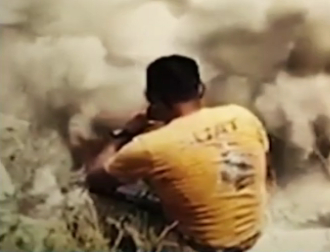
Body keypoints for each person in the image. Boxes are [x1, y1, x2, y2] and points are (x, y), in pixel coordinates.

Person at [85, 55, 270, 252]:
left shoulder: (149, 146)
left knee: (89, 198)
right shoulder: (241, 116)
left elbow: (95, 179)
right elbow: (266, 167)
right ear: (201, 89)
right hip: (252, 235)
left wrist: (124, 134)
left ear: (151, 98)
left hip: (202, 247)